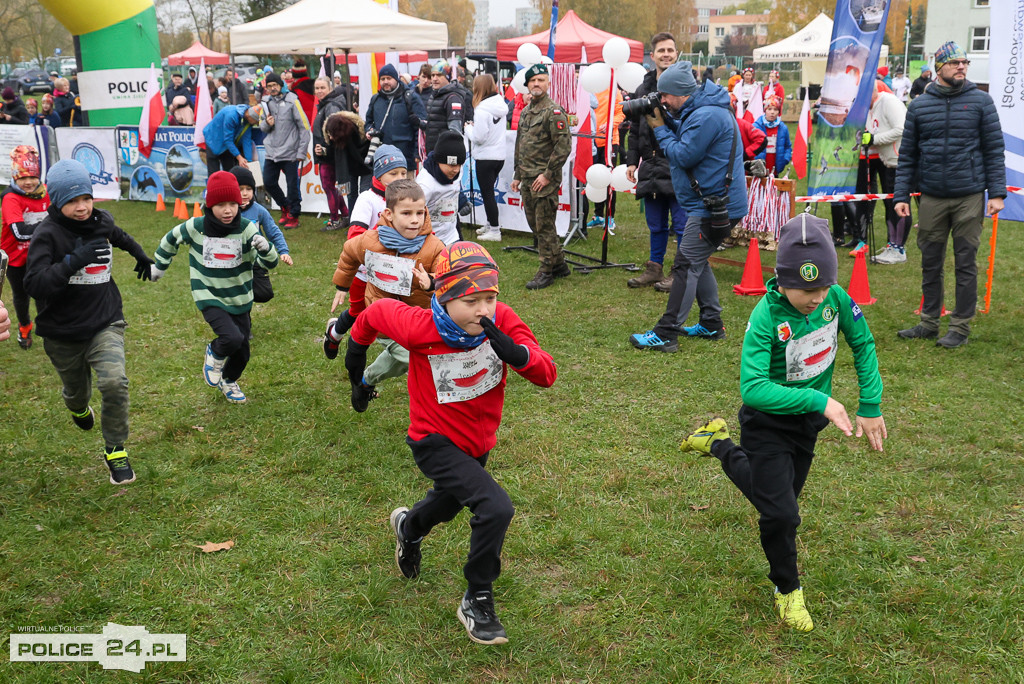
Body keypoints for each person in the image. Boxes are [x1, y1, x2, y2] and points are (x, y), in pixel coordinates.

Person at [680, 213, 886, 633]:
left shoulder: (836, 300)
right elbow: (753, 388)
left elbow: (862, 342)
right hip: (767, 424)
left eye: (823, 286)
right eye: (805, 289)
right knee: (782, 514)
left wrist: (871, 402)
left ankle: (717, 442)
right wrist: (819, 398)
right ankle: (787, 590)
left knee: (774, 499)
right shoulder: (765, 317)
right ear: (781, 279)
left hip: (807, 426)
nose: (816, 297)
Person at [345, 240, 557, 645]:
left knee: (449, 502)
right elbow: (372, 315)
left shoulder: (502, 321)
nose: (483, 310)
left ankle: (409, 527)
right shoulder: (419, 327)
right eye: (471, 300)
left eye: (490, 298)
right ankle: (477, 598)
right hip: (434, 440)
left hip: (478, 443)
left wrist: (517, 354)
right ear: (444, 296)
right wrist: (357, 366)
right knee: (495, 507)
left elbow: (547, 374)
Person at [23, 159, 155, 485]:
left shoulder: (100, 220)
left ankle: (115, 448)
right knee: (76, 392)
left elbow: (119, 235)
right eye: (72, 201)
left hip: (104, 321)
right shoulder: (47, 235)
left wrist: (140, 256)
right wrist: (72, 261)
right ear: (56, 201)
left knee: (114, 382)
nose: (82, 207)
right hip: (62, 332)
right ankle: (80, 408)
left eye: (86, 198)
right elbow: (34, 284)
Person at [629, 61, 747, 351]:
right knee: (698, 261)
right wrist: (667, 120)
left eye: (666, 95)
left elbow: (682, 154)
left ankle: (666, 332)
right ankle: (711, 324)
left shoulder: (706, 115)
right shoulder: (704, 109)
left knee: (684, 265)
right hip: (714, 204)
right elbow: (687, 131)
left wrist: (659, 127)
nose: (663, 100)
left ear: (681, 93)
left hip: (712, 207)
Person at [894, 41, 1005, 349]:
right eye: (955, 62)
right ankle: (929, 322)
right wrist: (901, 195)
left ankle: (959, 326)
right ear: (938, 67)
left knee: (965, 261)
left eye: (965, 62)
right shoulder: (918, 106)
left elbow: (994, 150)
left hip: (969, 194)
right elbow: (908, 156)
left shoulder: (982, 102)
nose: (962, 67)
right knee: (930, 261)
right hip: (931, 196)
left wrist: (996, 192)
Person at [150, 171, 279, 403]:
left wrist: (265, 248)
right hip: (208, 293)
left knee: (243, 351)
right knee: (230, 338)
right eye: (221, 205)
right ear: (210, 205)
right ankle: (214, 352)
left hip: (239, 297)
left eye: (233, 204)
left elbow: (268, 263)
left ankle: (228, 381)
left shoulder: (247, 228)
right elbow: (170, 239)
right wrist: (160, 265)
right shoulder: (196, 227)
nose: (228, 210)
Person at [326, 179, 445, 396]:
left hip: (418, 319)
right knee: (420, 358)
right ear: (389, 214)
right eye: (407, 213)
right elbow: (349, 252)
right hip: (382, 319)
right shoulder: (371, 241)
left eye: (420, 213)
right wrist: (342, 286)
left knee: (403, 360)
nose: (415, 220)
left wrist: (431, 281)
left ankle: (366, 381)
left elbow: (446, 276)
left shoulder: (434, 247)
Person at [323, 145, 409, 347]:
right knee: (358, 312)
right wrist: (383, 242)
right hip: (363, 272)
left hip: (396, 272)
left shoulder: (407, 200)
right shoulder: (367, 199)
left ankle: (396, 354)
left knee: (392, 313)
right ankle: (335, 333)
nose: (400, 178)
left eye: (404, 173)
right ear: (379, 175)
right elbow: (354, 237)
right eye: (393, 173)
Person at [623, 32, 688, 290]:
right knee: (656, 223)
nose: (666, 54)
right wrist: (631, 161)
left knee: (682, 224)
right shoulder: (643, 88)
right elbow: (635, 128)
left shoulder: (686, 85)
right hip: (650, 164)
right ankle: (654, 268)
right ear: (653, 56)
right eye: (661, 50)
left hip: (679, 162)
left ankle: (680, 273)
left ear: (676, 53)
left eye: (670, 50)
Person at [511, 64, 571, 290]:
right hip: (526, 178)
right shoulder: (526, 111)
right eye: (533, 81)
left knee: (544, 225)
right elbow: (520, 145)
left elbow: (563, 146)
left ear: (548, 84)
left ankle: (546, 271)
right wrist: (517, 174)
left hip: (544, 179)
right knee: (535, 225)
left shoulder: (553, 112)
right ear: (527, 84)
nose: (536, 84)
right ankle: (560, 264)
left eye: (541, 80)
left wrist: (547, 175)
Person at [1, 145, 50, 349]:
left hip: (39, 255)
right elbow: (19, 232)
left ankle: (48, 329)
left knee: (43, 293)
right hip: (15, 257)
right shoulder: (10, 197)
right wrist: (49, 226)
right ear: (15, 177)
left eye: (33, 177)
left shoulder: (46, 193)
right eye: (22, 178)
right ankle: (24, 326)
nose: (29, 182)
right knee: (21, 295)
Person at [857, 82, 909, 264]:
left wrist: (874, 138)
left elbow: (902, 128)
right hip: (889, 163)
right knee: (890, 204)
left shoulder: (887, 101)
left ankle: (898, 248)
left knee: (899, 205)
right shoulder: (871, 109)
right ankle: (892, 245)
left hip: (902, 162)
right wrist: (868, 138)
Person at [230, 166, 293, 305]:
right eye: (240, 189)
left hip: (255, 260)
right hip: (233, 261)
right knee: (237, 296)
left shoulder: (259, 210)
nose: (245, 193)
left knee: (265, 294)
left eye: (249, 189)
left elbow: (274, 233)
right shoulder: (227, 211)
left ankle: (244, 293)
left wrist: (283, 251)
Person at [260, 72, 311, 229]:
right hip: (272, 152)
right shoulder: (266, 102)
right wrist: (267, 123)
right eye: (269, 86)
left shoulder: (292, 100)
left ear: (280, 85)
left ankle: (294, 215)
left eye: (275, 85)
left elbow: (304, 126)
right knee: (268, 182)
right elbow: (262, 127)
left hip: (290, 152)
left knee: (292, 186)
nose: (272, 88)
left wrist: (301, 152)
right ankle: (285, 207)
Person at [466, 74, 507, 242]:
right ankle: (491, 224)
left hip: (486, 157)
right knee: (489, 192)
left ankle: (495, 230)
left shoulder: (482, 109)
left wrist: (468, 129)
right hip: (499, 156)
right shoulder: (500, 105)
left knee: (487, 193)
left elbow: (479, 137)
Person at [364, 63, 427, 169]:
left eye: (389, 78)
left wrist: (417, 153)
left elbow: (420, 127)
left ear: (396, 79)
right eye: (382, 79)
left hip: (405, 158)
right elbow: (368, 121)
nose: (385, 82)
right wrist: (369, 130)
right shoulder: (375, 99)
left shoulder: (411, 97)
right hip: (382, 157)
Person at [312, 76, 353, 230]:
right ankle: (345, 215)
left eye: (322, 88)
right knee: (331, 187)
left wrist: (324, 148)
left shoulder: (331, 106)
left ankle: (335, 220)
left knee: (329, 186)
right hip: (329, 153)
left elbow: (335, 132)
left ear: (330, 89)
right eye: (317, 88)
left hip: (330, 155)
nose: (319, 91)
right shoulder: (326, 104)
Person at [418, 131, 465, 246]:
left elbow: (455, 188)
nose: (456, 170)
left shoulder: (456, 172)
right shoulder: (425, 185)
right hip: (431, 241)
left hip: (452, 236)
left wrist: (462, 201)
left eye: (460, 165)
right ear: (439, 161)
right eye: (452, 165)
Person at [202, 104, 260, 175]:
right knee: (214, 174)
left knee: (230, 172)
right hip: (213, 139)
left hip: (228, 144)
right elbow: (228, 140)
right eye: (256, 121)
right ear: (250, 117)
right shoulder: (231, 115)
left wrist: (249, 161)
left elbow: (246, 140)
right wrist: (239, 157)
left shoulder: (248, 121)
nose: (257, 124)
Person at [424, 60, 467, 154]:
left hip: (444, 153)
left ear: (447, 76)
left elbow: (455, 131)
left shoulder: (453, 98)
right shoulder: (434, 95)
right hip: (433, 151)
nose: (434, 79)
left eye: (439, 75)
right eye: (433, 75)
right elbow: (436, 124)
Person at [753, 96, 792, 176]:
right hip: (758, 167)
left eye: (775, 109)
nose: (772, 112)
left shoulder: (783, 128)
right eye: (769, 109)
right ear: (765, 110)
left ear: (779, 112)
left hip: (775, 167)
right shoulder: (756, 127)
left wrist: (785, 159)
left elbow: (788, 146)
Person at [289, 60, 317, 124]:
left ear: (293, 74)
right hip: (315, 120)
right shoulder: (316, 86)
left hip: (302, 122)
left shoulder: (295, 91)